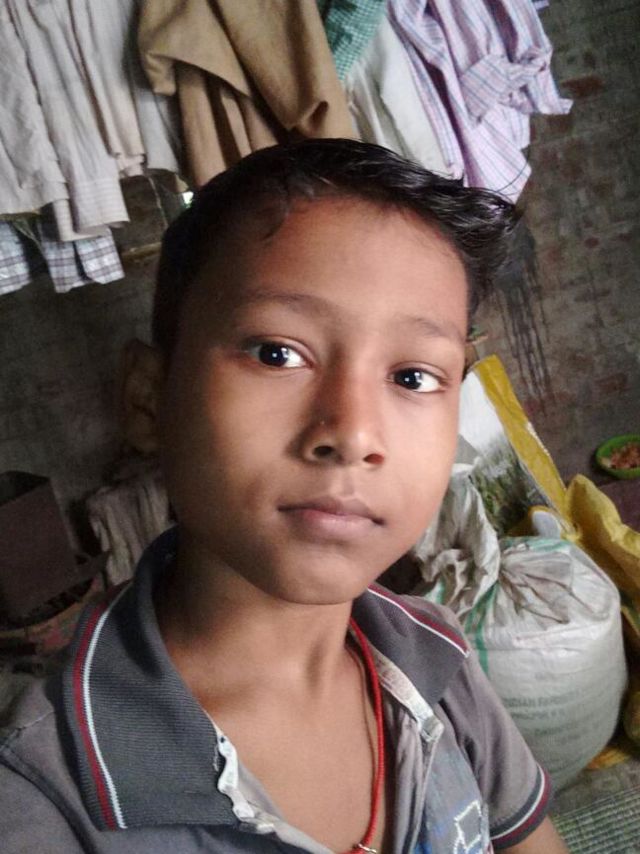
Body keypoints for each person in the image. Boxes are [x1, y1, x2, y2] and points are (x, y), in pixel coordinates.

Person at [0, 139, 569, 853]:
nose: (354, 434)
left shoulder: (433, 660)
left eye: (414, 377)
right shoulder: (41, 798)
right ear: (148, 398)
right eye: (278, 353)